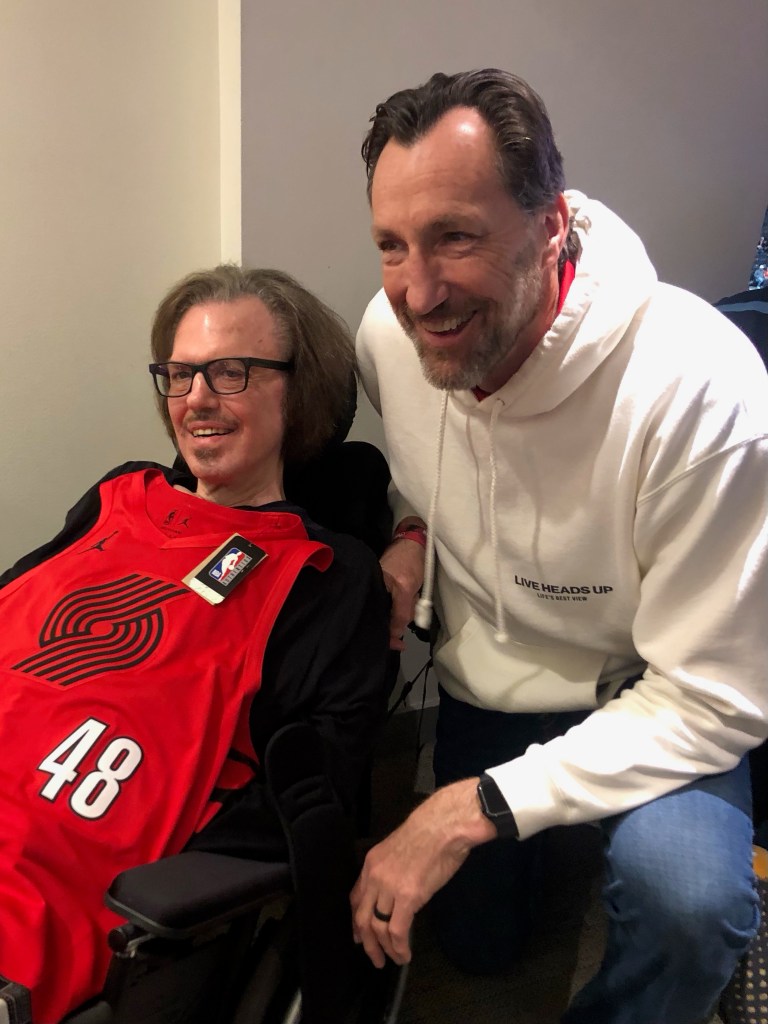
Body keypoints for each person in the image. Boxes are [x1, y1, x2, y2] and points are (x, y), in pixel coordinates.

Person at [350, 69, 768, 1023]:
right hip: (492, 681)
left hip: (650, 688)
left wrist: (470, 809)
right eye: (391, 245)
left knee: (689, 905)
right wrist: (411, 531)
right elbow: (428, 472)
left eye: (456, 236)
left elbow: (717, 695)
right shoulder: (391, 337)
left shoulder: (699, 387)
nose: (419, 291)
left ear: (552, 225)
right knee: (478, 949)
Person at [0, 265, 390, 1023]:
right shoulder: (119, 495)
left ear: (299, 387)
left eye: (230, 372)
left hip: (36, 886)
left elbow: (310, 800)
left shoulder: (323, 575)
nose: (197, 399)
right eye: (179, 375)